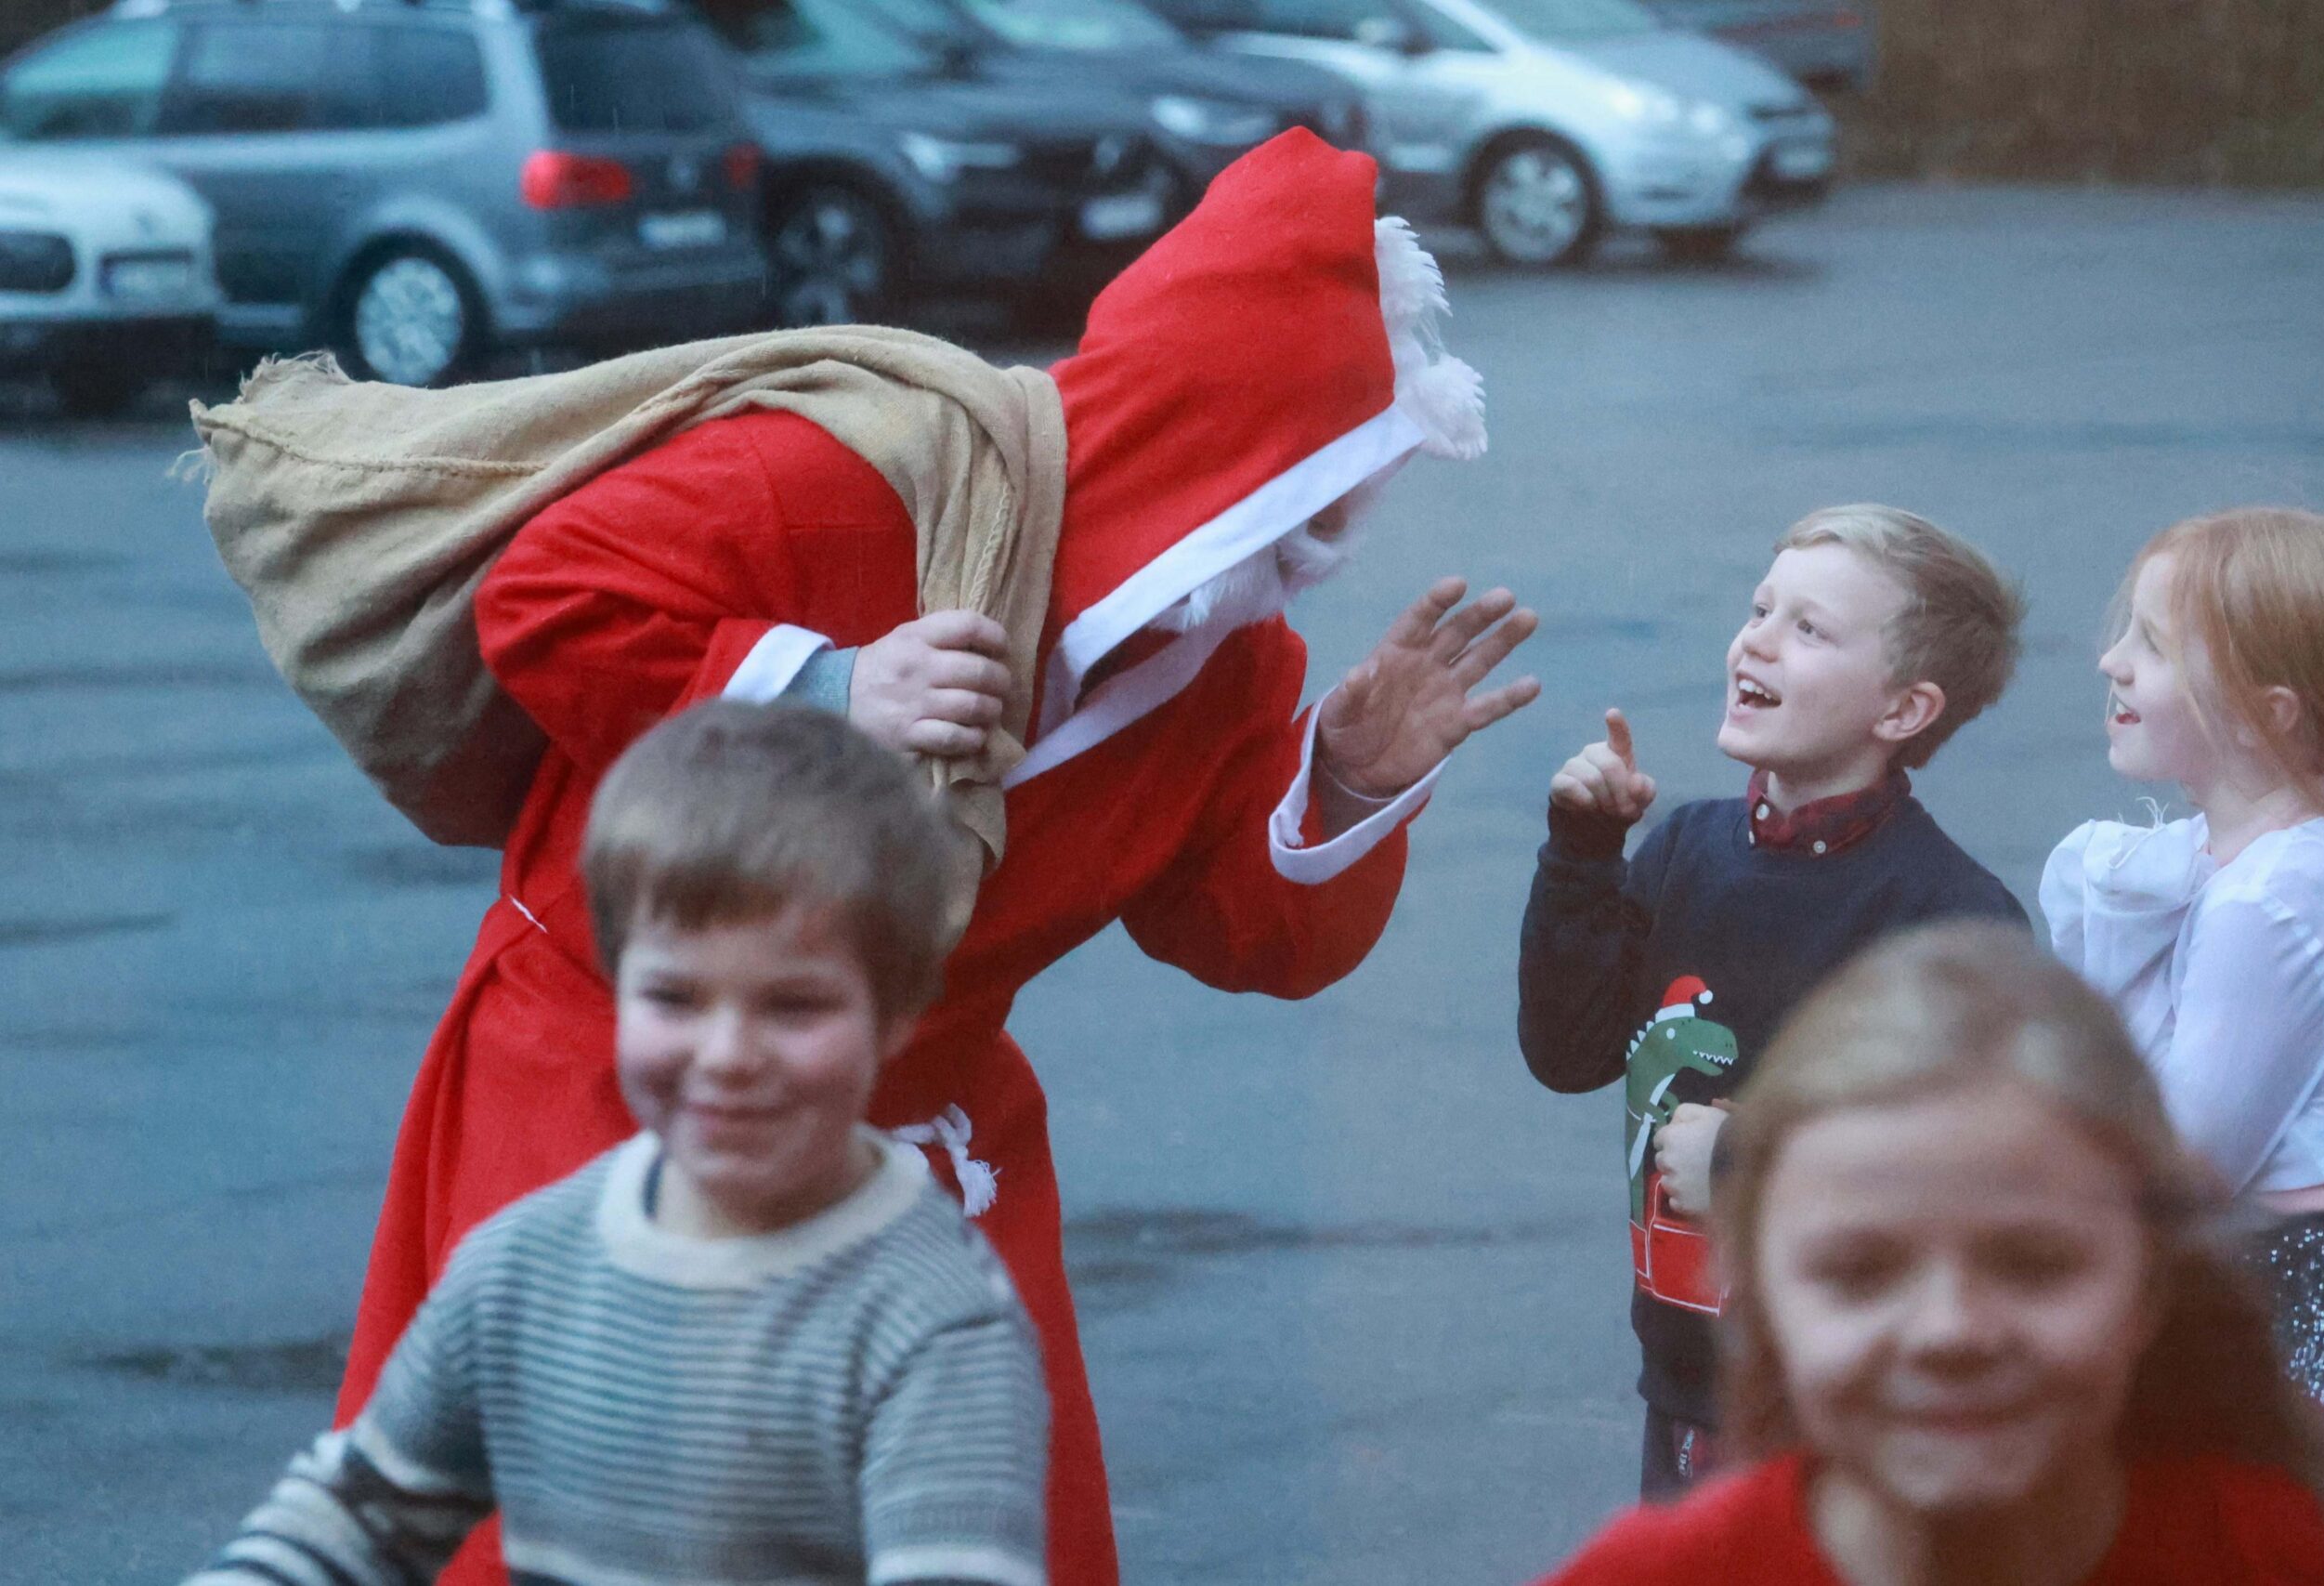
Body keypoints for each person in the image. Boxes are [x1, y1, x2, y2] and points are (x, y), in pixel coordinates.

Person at [333, 130, 1539, 1585]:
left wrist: (1343, 780)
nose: (1344, 527)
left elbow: (1240, 932)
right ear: (1234, 444)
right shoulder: (876, 476)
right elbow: (546, 595)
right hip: (624, 1072)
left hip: (919, 1125)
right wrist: (832, 685)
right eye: (1331, 476)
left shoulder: (1230, 665)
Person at [186, 701, 1048, 1586]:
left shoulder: (933, 1323)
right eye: (675, 998)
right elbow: (360, 1514)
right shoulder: (526, 1266)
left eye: (793, 1006)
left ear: (898, 1013)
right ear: (615, 983)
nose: (727, 1057)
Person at [1535, 924, 2324, 1585]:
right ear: (1755, 1296)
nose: (1950, 1330)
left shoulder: (2309, 1558)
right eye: (1860, 1273)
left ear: (2150, 1280)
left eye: (2034, 1264)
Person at [1519, 505, 2029, 1497]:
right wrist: (1580, 856)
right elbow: (1568, 1049)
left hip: (1852, 1406)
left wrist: (1751, 1160)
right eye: (1761, 608)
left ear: (1902, 711)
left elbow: (1967, 1169)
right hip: (1685, 1373)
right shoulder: (1681, 851)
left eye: (1810, 629)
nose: (1755, 638)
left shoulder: (1949, 917)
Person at [2041, 506, 2324, 1437]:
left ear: (2265, 716)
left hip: (2310, 1294)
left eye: (2150, 644)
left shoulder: (2265, 903)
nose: (2111, 660)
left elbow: (2177, 1166)